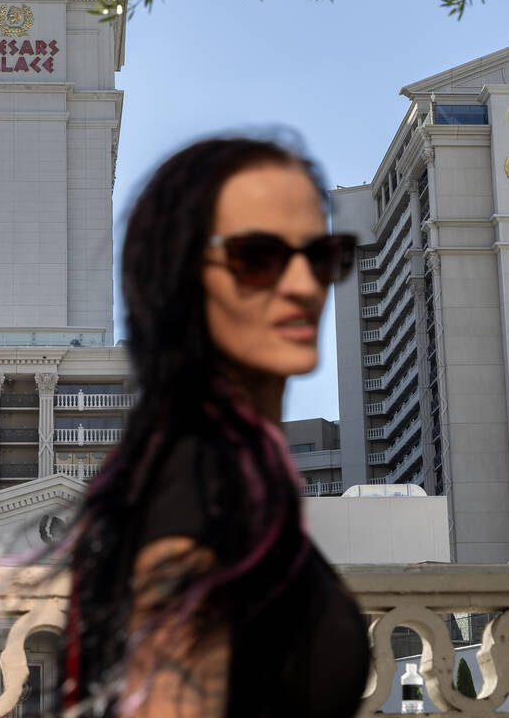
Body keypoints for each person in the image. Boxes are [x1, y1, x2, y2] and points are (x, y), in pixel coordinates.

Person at [61, 136, 369, 717]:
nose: (305, 286)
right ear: (182, 276)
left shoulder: (240, 471)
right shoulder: (200, 480)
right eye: (258, 257)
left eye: (322, 254)